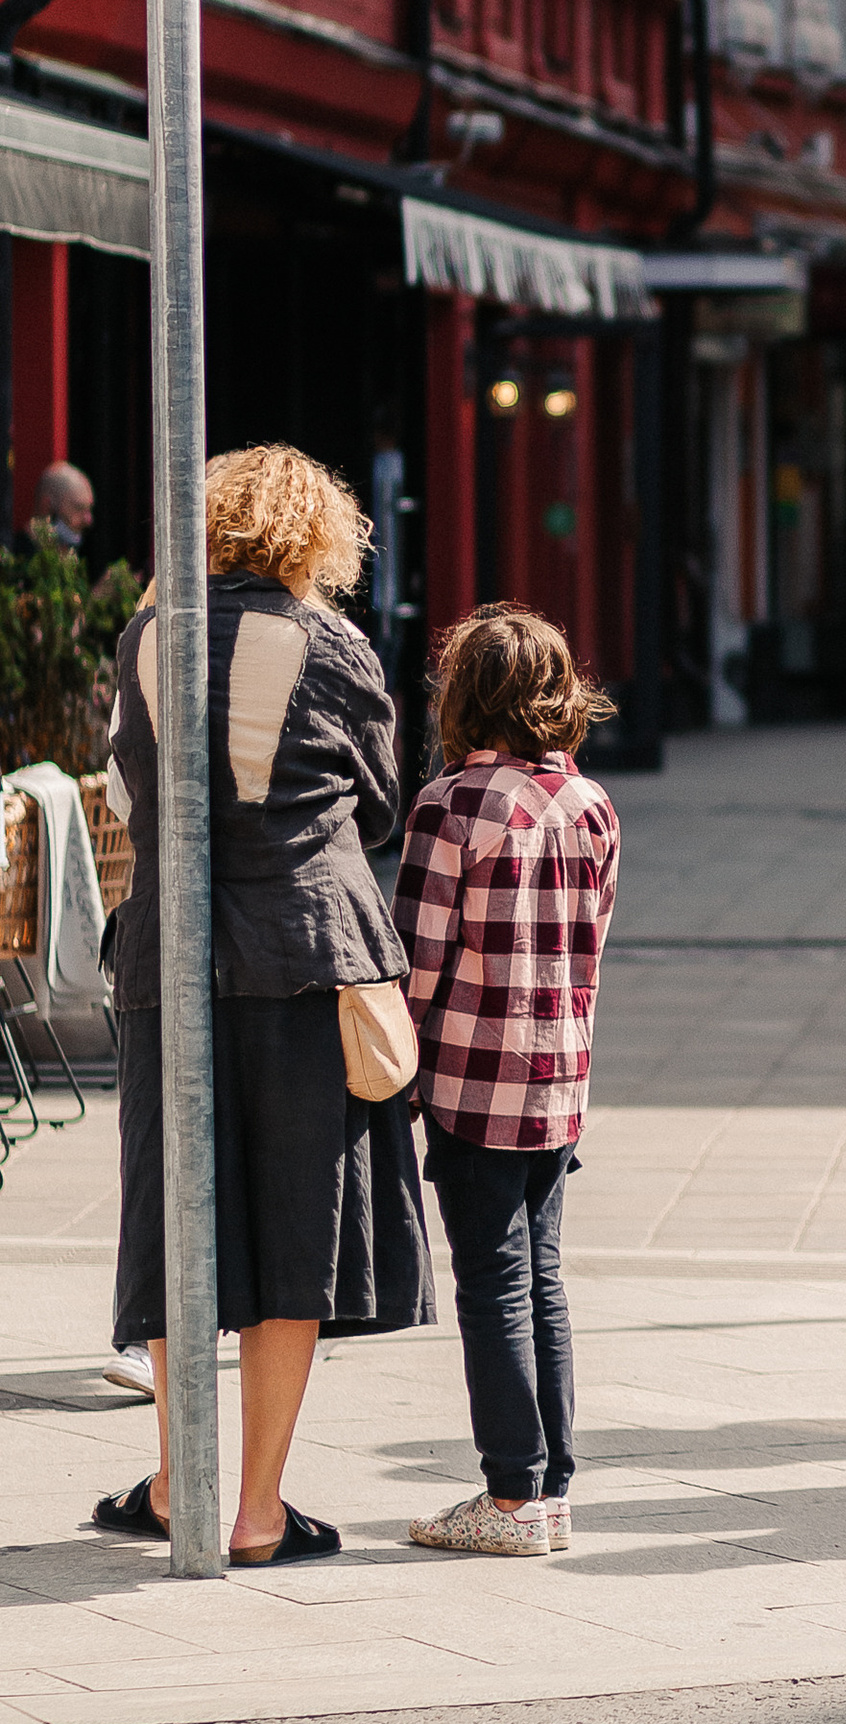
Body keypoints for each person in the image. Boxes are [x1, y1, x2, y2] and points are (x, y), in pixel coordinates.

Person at [90, 445, 434, 1564]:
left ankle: (177, 1483)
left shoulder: (148, 635)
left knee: (180, 1218)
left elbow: (134, 789)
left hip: (166, 956)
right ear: (314, 535)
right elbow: (378, 808)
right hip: (301, 954)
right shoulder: (329, 644)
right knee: (296, 1231)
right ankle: (257, 1511)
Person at [398, 603, 620, 1557]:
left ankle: (511, 1496)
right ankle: (553, 1486)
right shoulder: (593, 805)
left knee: (490, 1282)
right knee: (545, 1279)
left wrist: (391, 1069)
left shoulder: (452, 804)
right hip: (560, 1080)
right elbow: (592, 943)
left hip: (471, 1079)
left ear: (465, 696)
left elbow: (418, 956)